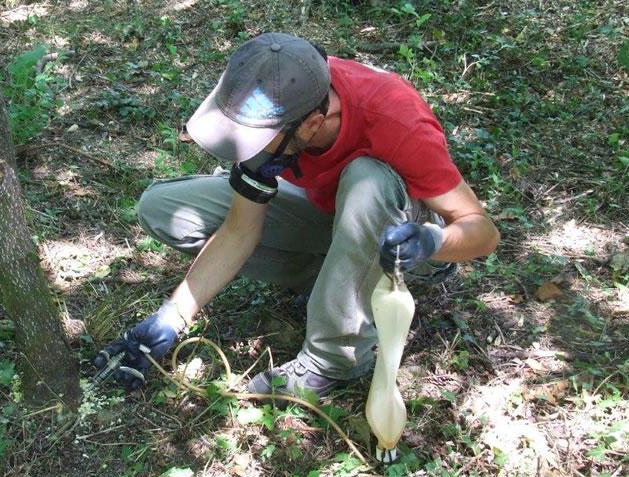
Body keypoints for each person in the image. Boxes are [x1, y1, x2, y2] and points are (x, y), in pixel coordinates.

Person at [95, 32, 499, 397]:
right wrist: (171, 317)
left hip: (401, 247)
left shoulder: (393, 117)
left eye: (258, 139)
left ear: (313, 124)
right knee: (164, 209)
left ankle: (332, 360)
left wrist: (432, 240)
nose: (249, 148)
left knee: (367, 179)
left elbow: (482, 233)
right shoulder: (279, 95)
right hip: (332, 216)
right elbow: (239, 231)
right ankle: (338, 281)